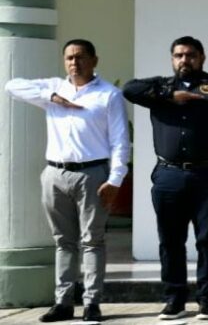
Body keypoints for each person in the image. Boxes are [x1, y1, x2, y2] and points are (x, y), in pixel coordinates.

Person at [4, 39, 130, 323]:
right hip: (54, 173)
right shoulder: (53, 88)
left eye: (81, 57)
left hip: (92, 173)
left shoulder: (108, 95)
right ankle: (62, 302)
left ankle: (92, 303)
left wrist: (116, 179)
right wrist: (52, 96)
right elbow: (11, 86)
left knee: (92, 241)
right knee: (63, 241)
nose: (75, 63)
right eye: (70, 58)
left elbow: (121, 141)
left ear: (94, 61)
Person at [123, 36, 208, 320]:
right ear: (172, 59)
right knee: (170, 241)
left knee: (207, 239)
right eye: (178, 55)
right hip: (168, 175)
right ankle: (174, 300)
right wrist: (170, 97)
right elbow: (129, 89)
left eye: (190, 55)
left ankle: (207, 299)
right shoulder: (161, 88)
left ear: (202, 57)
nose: (184, 60)